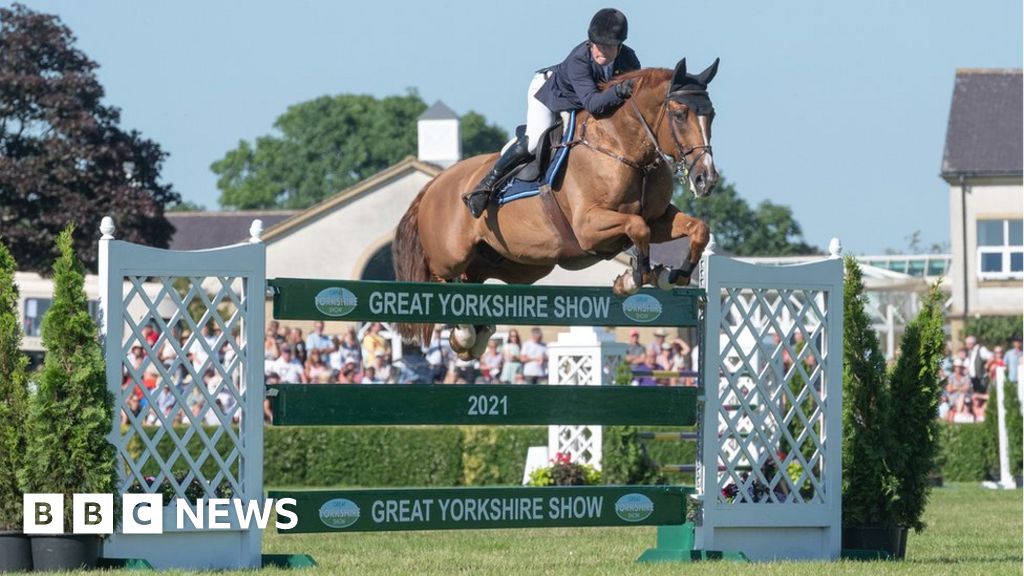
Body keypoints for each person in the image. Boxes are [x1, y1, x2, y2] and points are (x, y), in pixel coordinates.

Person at [462, 8, 641, 217]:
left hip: (578, 100)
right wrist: (620, 90)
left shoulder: (629, 60)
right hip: (549, 92)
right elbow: (593, 103)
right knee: (535, 140)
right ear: (590, 42)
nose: (602, 51)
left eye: (609, 46)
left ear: (620, 46)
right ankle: (486, 185)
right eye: (598, 45)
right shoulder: (579, 60)